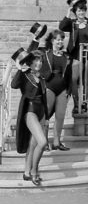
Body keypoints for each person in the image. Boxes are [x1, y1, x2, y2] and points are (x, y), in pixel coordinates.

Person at [59, 0, 88, 114]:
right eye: (79, 10)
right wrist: (68, 12)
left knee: (87, 79)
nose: (81, 12)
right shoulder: (72, 23)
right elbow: (62, 27)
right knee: (74, 79)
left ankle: (84, 101)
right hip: (76, 54)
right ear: (75, 12)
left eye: (83, 10)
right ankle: (76, 102)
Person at [10, 48, 48, 185]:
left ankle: (26, 173)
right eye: (36, 60)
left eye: (40, 60)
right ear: (30, 62)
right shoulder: (25, 75)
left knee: (33, 145)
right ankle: (34, 172)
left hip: (41, 112)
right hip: (30, 111)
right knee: (43, 142)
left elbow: (44, 99)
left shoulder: (42, 78)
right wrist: (20, 69)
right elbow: (13, 85)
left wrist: (47, 117)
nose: (38, 63)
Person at [30, 29, 72, 151]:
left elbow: (69, 75)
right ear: (53, 40)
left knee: (60, 116)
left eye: (61, 39)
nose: (60, 41)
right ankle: (44, 142)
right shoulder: (45, 53)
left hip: (62, 88)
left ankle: (57, 142)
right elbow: (32, 52)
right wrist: (36, 39)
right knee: (46, 115)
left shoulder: (66, 57)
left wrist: (69, 92)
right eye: (57, 39)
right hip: (49, 86)